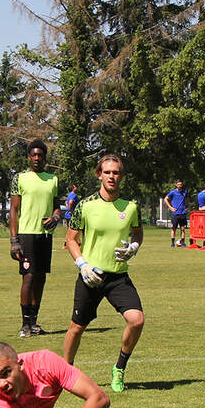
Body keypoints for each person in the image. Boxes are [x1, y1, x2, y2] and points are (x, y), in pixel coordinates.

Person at [64, 153, 144, 393]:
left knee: (137, 320)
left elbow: (137, 232)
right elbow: (70, 239)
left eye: (116, 172)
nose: (112, 176)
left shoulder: (131, 207)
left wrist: (134, 247)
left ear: (122, 176)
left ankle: (119, 368)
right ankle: (65, 373)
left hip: (118, 277)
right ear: (99, 174)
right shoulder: (85, 206)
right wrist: (82, 265)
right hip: (91, 276)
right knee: (76, 328)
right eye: (107, 172)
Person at [9, 140, 62, 338]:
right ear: (29, 157)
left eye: (40, 155)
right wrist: (14, 240)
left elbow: (57, 206)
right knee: (28, 277)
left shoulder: (53, 179)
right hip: (26, 234)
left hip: (45, 236)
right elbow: (14, 210)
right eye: (34, 155)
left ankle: (34, 322)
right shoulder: (19, 178)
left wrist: (56, 217)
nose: (37, 158)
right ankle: (24, 324)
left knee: (40, 278)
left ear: (45, 158)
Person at [163, 180, 189, 247]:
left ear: (182, 185)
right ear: (176, 185)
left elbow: (187, 199)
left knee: (183, 228)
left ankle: (183, 242)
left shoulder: (185, 192)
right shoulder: (173, 192)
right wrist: (170, 207)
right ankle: (172, 243)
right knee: (174, 228)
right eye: (178, 184)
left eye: (180, 184)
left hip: (182, 213)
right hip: (175, 213)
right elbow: (165, 199)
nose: (179, 185)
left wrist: (186, 207)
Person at [62, 183, 80, 249]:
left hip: (67, 215)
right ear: (73, 188)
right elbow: (70, 202)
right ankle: (78, 243)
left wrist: (68, 209)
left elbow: (66, 202)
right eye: (75, 187)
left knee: (70, 230)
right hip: (71, 215)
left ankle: (66, 244)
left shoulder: (69, 195)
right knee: (75, 230)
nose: (77, 188)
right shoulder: (73, 195)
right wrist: (70, 210)